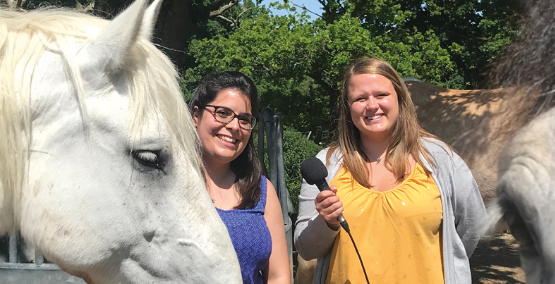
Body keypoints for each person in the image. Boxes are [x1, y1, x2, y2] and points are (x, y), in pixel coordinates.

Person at [294, 58, 486, 284]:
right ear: (348, 107)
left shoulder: (441, 159)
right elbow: (305, 249)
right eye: (360, 98)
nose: (372, 105)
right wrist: (327, 223)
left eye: (381, 95)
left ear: (400, 98)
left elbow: (472, 224)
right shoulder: (326, 164)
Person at [191, 72, 291, 284]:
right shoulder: (165, 184)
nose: (234, 126)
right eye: (223, 113)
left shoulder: (261, 190)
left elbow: (278, 276)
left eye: (244, 119)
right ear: (196, 116)